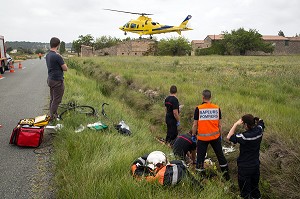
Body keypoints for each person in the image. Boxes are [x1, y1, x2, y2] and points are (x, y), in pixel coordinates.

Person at [192, 89, 229, 180]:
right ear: (210, 97)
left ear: (203, 97)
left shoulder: (199, 108)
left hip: (202, 138)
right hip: (215, 137)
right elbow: (219, 124)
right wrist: (220, 135)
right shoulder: (216, 108)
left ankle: (200, 178)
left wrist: (193, 135)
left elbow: (195, 124)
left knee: (200, 158)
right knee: (220, 156)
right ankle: (226, 176)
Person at [226, 114, 265, 199]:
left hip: (245, 168)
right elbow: (261, 121)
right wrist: (256, 120)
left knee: (245, 193)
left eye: (243, 124)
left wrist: (235, 124)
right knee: (255, 189)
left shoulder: (244, 136)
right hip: (255, 165)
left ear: (246, 125)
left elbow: (229, 137)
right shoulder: (259, 130)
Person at [46, 37, 68, 121]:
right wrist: (61, 57)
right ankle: (53, 117)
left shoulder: (48, 55)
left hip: (50, 79)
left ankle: (52, 114)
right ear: (58, 45)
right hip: (57, 80)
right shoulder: (57, 56)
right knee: (57, 100)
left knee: (52, 98)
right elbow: (65, 68)